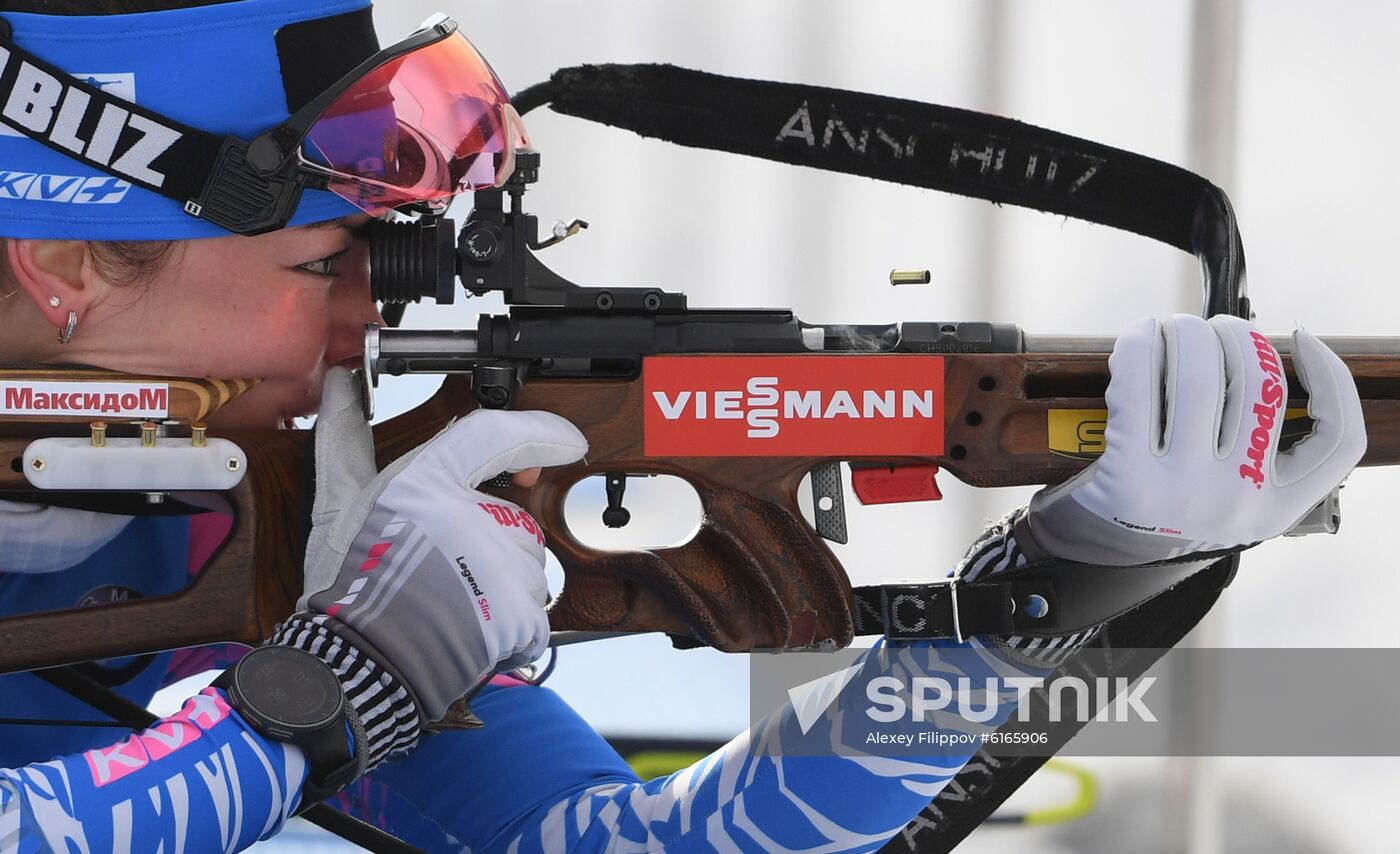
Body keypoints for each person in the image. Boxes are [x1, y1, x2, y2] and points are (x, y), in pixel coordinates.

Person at [0, 0, 1367, 851]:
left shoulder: (268, 516)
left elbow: (651, 847)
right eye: (325, 269)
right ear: (64, 266)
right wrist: (327, 694)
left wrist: (1057, 588)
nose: (374, 314)